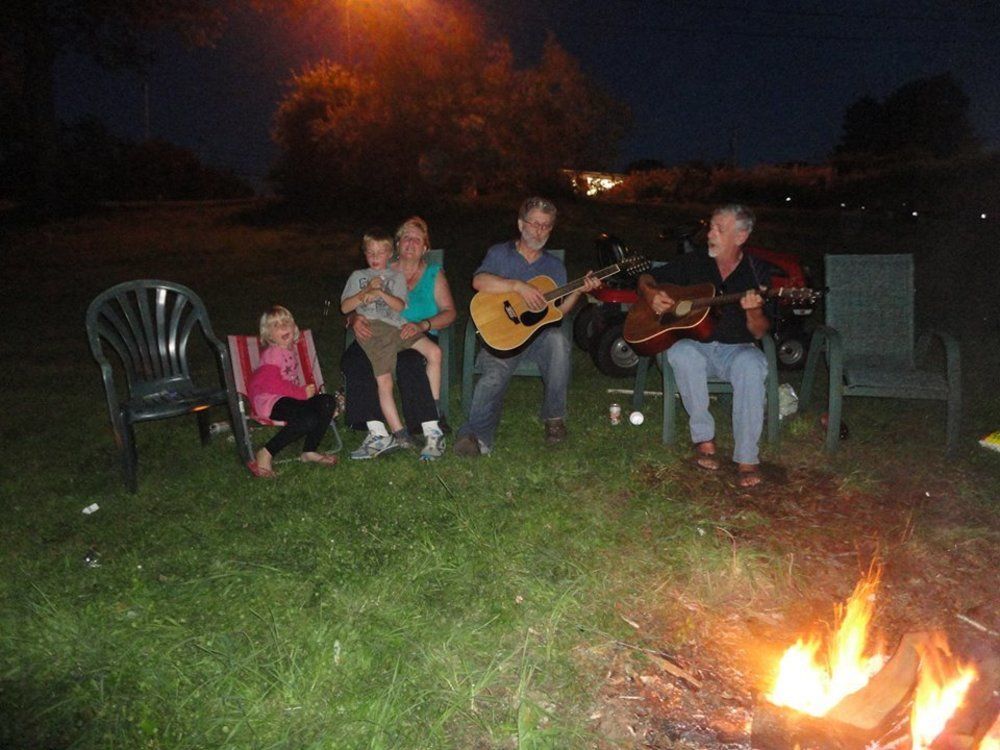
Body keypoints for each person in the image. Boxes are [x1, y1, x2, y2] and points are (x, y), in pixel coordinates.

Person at [636, 204, 773, 488]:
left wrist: (753, 311)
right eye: (711, 226)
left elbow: (760, 332)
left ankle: (747, 456)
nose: (709, 234)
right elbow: (646, 277)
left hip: (736, 350)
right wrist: (651, 294)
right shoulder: (695, 262)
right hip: (696, 346)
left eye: (718, 230)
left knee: (753, 364)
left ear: (740, 237)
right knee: (682, 353)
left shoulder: (757, 273)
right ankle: (704, 439)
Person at [454, 196, 601, 457]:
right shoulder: (500, 253)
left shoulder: (554, 267)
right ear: (521, 224)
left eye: (546, 226)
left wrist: (578, 291)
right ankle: (475, 436)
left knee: (558, 340)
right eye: (534, 224)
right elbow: (479, 281)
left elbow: (557, 313)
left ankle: (554, 418)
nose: (539, 230)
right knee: (493, 378)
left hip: (536, 339)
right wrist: (517, 286)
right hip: (502, 337)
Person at [340, 217, 456, 461]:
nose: (411, 243)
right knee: (354, 361)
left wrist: (423, 324)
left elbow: (450, 312)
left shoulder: (433, 274)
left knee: (409, 362)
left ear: (425, 247)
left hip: (412, 333)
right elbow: (354, 303)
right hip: (377, 333)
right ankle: (377, 430)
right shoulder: (380, 269)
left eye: (417, 239)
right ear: (397, 245)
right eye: (406, 237)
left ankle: (428, 424)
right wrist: (353, 319)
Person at [247, 305, 339, 477]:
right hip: (270, 401)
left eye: (286, 322)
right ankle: (265, 453)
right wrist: (301, 393)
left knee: (327, 401)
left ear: (294, 326)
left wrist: (304, 395)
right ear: (268, 335)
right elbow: (271, 383)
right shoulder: (273, 353)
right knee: (309, 418)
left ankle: (309, 451)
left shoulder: (288, 351)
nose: (283, 326)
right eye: (276, 325)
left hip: (289, 399)